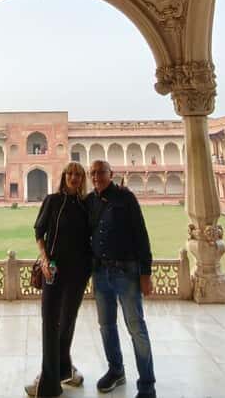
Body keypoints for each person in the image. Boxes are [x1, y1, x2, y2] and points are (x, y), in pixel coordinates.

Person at [85, 159, 156, 398]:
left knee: (136, 328)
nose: (96, 177)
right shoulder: (90, 201)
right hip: (100, 273)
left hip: (126, 272)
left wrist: (146, 273)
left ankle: (147, 385)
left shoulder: (126, 198)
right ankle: (116, 370)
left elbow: (141, 235)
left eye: (101, 172)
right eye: (93, 173)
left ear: (111, 173)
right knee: (106, 326)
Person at [26, 162, 91, 397]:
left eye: (78, 174)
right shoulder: (53, 201)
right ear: (64, 177)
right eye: (70, 174)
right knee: (50, 323)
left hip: (78, 272)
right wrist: (44, 259)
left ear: (82, 179)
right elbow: (39, 231)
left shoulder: (85, 205)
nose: (74, 177)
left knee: (67, 322)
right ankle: (48, 382)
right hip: (53, 270)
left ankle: (62, 370)